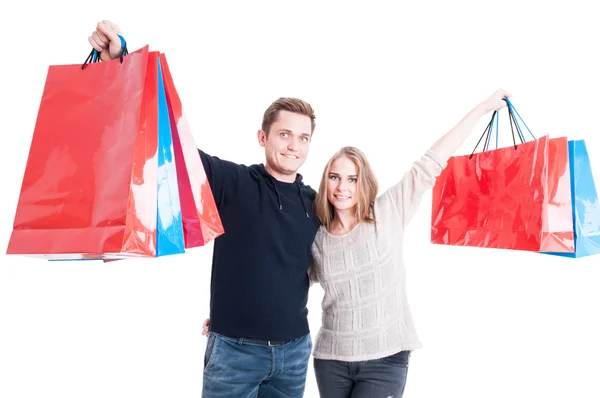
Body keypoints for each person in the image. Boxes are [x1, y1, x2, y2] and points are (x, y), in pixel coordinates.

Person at [88, 20, 320, 398]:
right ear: (263, 137)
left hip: (294, 354)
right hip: (235, 354)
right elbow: (165, 137)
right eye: (284, 134)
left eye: (303, 138)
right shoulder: (233, 182)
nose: (293, 145)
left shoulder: (315, 203)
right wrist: (119, 62)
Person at [307, 89, 511, 397]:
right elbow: (283, 282)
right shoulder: (317, 237)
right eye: (335, 177)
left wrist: (483, 108)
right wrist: (231, 314)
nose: (342, 187)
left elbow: (432, 161)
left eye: (352, 179)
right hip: (331, 360)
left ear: (363, 183)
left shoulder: (388, 212)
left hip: (385, 360)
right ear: (326, 182)